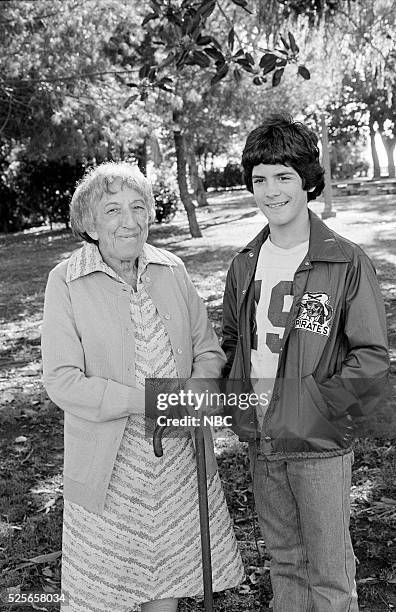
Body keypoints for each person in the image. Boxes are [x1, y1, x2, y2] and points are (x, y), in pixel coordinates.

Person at [41, 162, 244, 612]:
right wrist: (151, 401)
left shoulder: (171, 268)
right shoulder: (67, 280)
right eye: (112, 209)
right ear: (89, 223)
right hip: (109, 464)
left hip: (177, 456)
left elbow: (209, 350)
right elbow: (62, 381)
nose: (128, 221)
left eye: (138, 207)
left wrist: (194, 390)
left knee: (167, 580)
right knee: (105, 591)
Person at [221, 114, 389, 612]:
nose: (270, 191)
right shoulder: (244, 264)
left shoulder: (345, 260)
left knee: (330, 574)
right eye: (259, 180)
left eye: (283, 177)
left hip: (317, 441)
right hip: (263, 439)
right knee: (284, 564)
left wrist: (318, 411)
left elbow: (370, 357)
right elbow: (234, 342)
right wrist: (236, 408)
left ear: (307, 180)